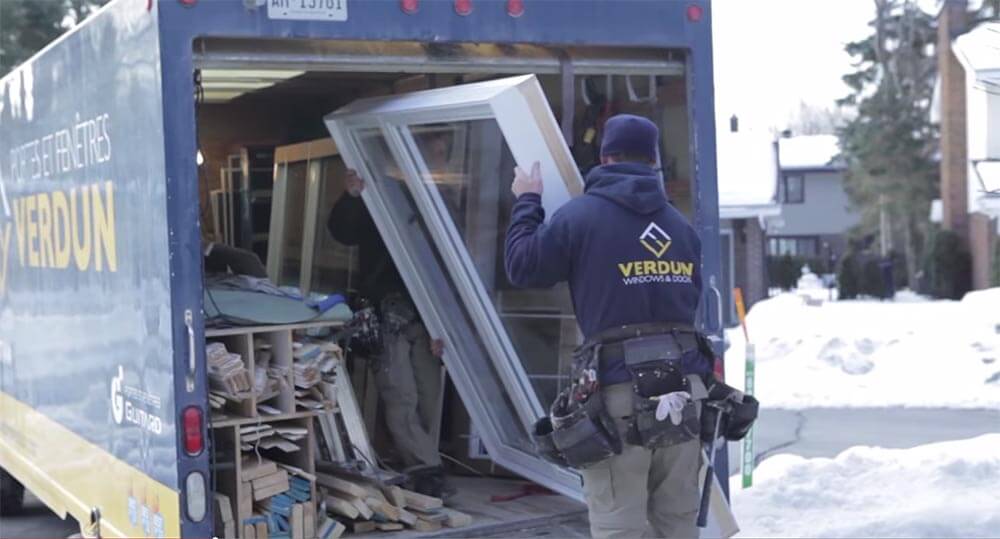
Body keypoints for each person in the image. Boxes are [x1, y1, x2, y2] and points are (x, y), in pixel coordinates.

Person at [505, 114, 709, 538]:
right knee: (677, 522)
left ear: (604, 156)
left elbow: (523, 267)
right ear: (654, 160)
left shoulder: (581, 217)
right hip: (684, 388)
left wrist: (528, 200)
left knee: (619, 524)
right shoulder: (680, 228)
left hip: (618, 390)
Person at [327, 168, 451, 498]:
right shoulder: (378, 198)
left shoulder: (439, 205)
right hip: (386, 314)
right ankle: (426, 469)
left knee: (427, 395)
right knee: (401, 394)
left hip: (426, 317)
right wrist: (351, 197)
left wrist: (447, 327)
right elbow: (341, 230)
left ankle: (415, 458)